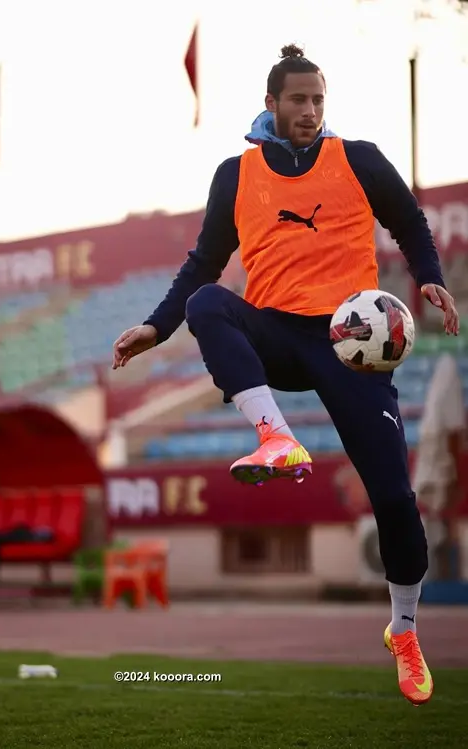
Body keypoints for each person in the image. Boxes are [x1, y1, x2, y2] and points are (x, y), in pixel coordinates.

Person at [112, 44, 460, 706]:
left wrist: (432, 280)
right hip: (274, 334)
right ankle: (275, 436)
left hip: (348, 342)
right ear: (271, 104)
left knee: (393, 497)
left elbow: (410, 222)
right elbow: (202, 264)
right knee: (206, 303)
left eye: (318, 100)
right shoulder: (235, 174)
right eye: (297, 100)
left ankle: (405, 632)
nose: (309, 111)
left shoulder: (358, 158)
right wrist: (157, 326)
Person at [413, 353, 466, 580]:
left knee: (442, 517)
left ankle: (444, 570)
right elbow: (454, 431)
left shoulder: (436, 405)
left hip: (442, 461)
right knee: (442, 515)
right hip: (444, 464)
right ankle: (441, 571)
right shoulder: (443, 409)